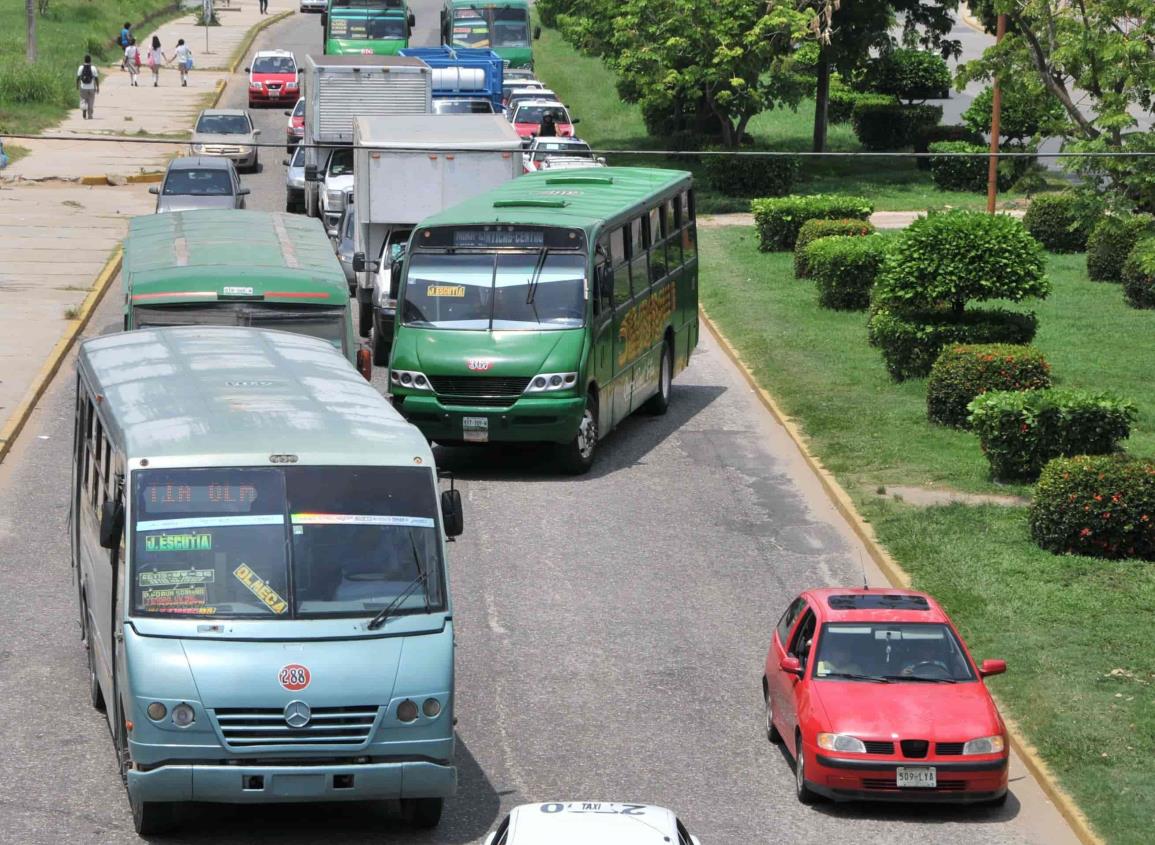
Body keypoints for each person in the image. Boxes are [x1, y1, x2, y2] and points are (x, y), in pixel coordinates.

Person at [76, 55, 100, 120]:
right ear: (90, 60)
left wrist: (77, 85)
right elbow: (96, 78)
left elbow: (78, 77)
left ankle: (84, 108)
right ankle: (90, 115)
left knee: (83, 99)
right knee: (91, 101)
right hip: (91, 87)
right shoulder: (93, 68)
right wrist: (98, 87)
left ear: (84, 60)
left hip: (83, 87)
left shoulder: (81, 67)